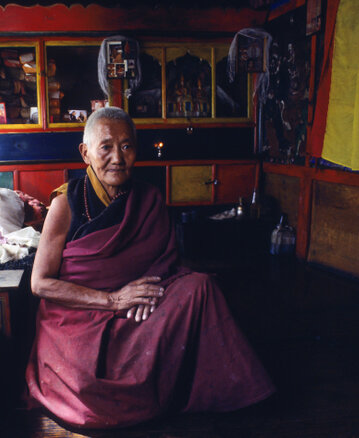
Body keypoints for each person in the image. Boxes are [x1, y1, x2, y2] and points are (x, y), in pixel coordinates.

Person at [25, 107, 274, 429]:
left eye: (126, 146)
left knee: (200, 287)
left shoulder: (149, 199)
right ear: (85, 153)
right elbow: (40, 283)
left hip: (136, 304)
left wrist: (145, 293)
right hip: (79, 315)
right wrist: (113, 300)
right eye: (106, 147)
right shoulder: (65, 204)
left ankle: (222, 393)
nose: (118, 158)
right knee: (88, 392)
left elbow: (164, 263)